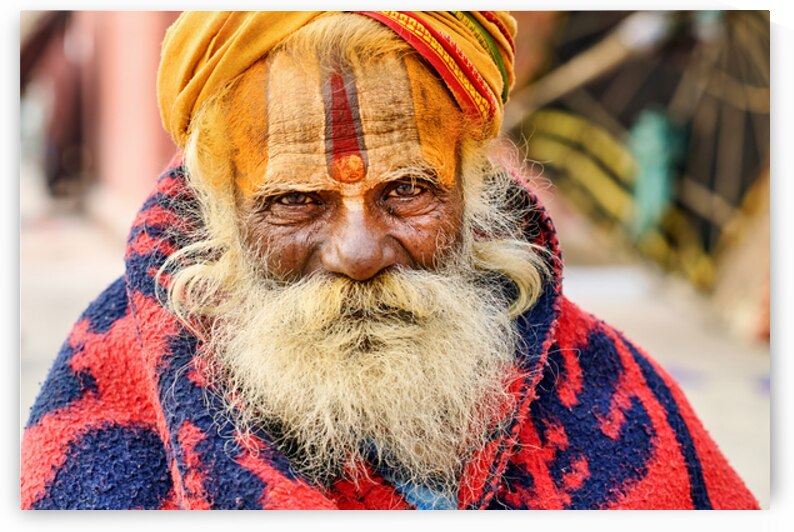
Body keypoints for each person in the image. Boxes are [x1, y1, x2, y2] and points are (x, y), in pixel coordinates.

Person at [20, 11, 759, 510]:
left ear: (476, 194)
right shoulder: (103, 403)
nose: (359, 253)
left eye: (407, 190)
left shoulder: (609, 392)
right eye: (294, 201)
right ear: (219, 212)